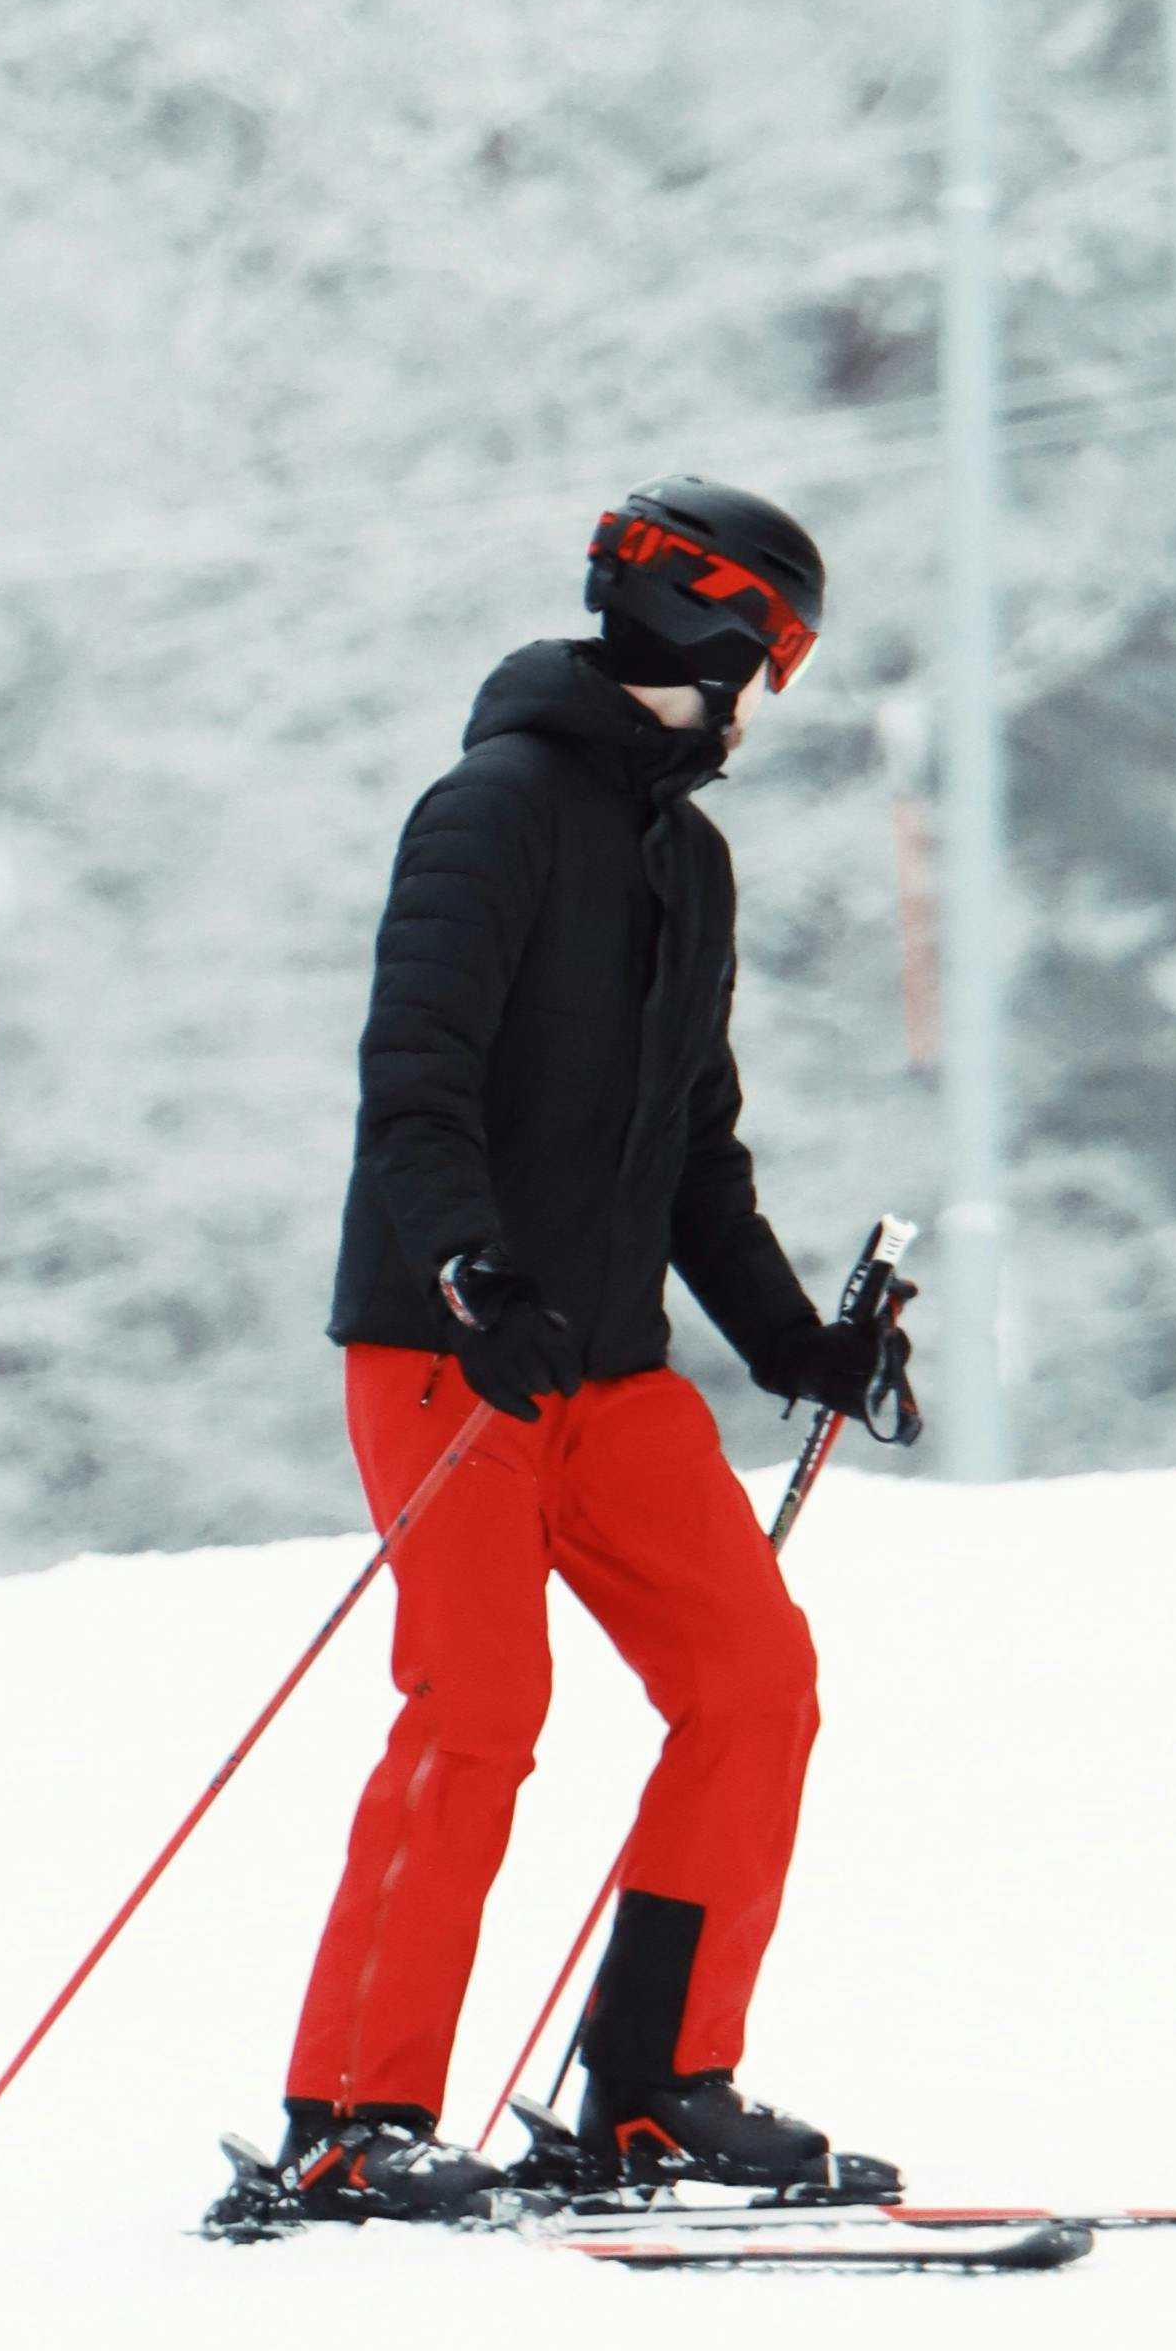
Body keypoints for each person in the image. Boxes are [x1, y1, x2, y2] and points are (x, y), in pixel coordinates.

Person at [263, 483, 915, 2226]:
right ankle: (351, 2115)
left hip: (610, 1371)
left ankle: (654, 2091)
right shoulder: (488, 815)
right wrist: (471, 1268)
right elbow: (415, 1081)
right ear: (729, 639)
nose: (760, 692)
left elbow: (694, 1144)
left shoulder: (682, 858)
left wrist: (795, 1341)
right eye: (770, 653)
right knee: (479, 1710)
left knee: (753, 1683)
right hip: (451, 1354)